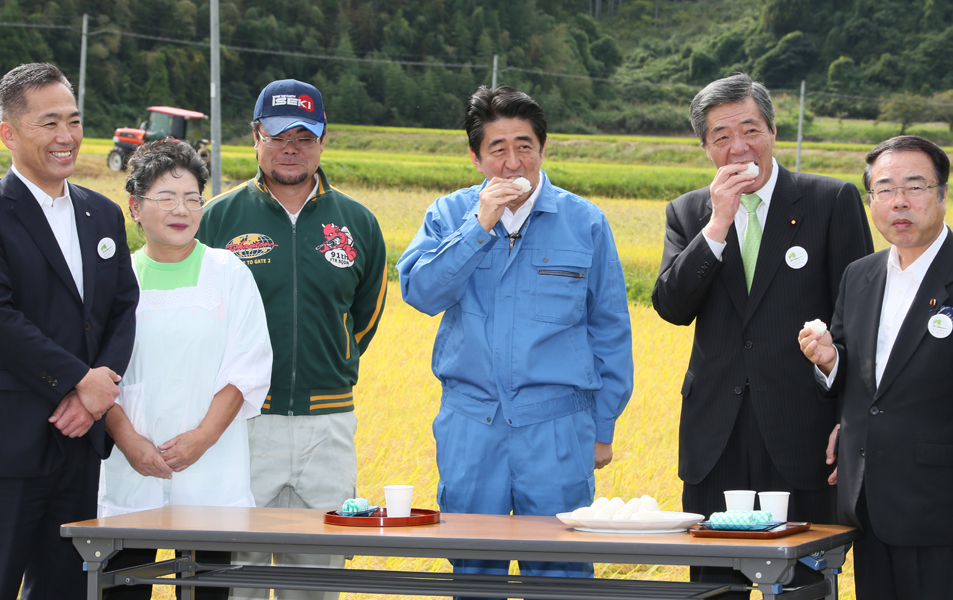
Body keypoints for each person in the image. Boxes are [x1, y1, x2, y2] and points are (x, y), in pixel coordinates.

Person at [397, 85, 633, 586]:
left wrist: (604, 426)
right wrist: (477, 227)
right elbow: (419, 291)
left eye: (524, 145)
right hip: (471, 425)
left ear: (543, 149)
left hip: (556, 427)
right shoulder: (448, 214)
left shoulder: (584, 221)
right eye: (497, 148)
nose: (512, 162)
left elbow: (610, 330)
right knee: (473, 571)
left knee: (561, 573)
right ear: (476, 157)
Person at [652, 73, 873, 595]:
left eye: (750, 129)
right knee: (713, 584)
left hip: (803, 432)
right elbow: (672, 307)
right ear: (705, 146)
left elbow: (860, 316)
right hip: (715, 437)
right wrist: (717, 226)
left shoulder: (829, 200)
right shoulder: (689, 212)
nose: (738, 146)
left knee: (804, 582)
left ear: (772, 130)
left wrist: (851, 419)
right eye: (721, 136)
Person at [197, 79, 387, 600]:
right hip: (241, 423)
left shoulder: (357, 223)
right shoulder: (218, 218)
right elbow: (200, 316)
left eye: (304, 136)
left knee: (317, 577)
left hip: (328, 424)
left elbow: (365, 316)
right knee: (239, 575)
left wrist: (335, 357)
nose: (291, 148)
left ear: (323, 141)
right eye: (278, 135)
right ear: (255, 137)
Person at [97, 140, 272, 599]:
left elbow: (247, 367)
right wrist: (130, 441)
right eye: (167, 197)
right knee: (122, 588)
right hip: (132, 463)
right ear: (134, 206)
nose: (182, 209)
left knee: (204, 592)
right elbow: (98, 373)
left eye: (193, 197)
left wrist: (202, 438)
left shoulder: (228, 273)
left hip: (211, 463)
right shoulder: (118, 279)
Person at [0, 62, 138, 600]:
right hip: (12, 442)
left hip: (81, 442)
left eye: (75, 121)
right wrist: (78, 381)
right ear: (8, 132)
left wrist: (96, 396)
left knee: (65, 589)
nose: (67, 137)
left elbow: (125, 306)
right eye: (49, 122)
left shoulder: (101, 214)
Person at [799, 135, 953, 599]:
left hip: (939, 503)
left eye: (915, 186)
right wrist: (829, 360)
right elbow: (863, 380)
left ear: (942, 193)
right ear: (871, 201)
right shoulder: (861, 275)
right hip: (867, 499)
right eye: (884, 189)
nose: (899, 201)